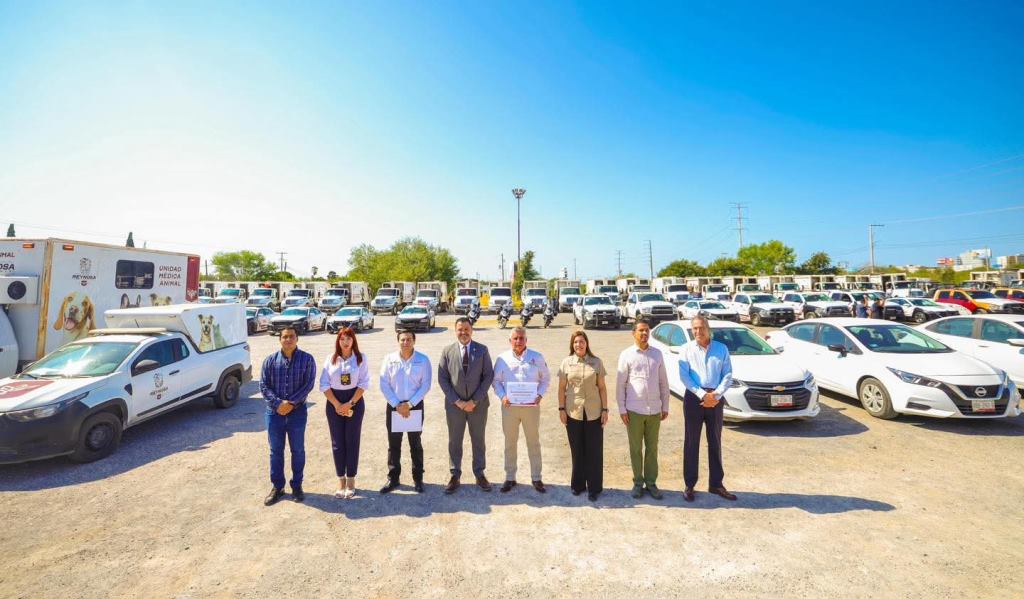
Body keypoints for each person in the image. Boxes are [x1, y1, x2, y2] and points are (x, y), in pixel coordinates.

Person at [678, 314, 737, 502]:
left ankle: (716, 484)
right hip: (694, 398)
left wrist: (716, 395)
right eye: (694, 328)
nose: (698, 331)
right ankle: (690, 485)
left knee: (715, 441)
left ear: (708, 328)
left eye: (701, 328)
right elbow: (684, 376)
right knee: (691, 442)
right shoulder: (686, 349)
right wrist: (703, 395)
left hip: (716, 399)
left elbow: (727, 374)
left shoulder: (721, 349)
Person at [260, 325, 317, 506]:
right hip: (274, 413)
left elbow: (308, 384)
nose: (288, 339)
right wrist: (278, 404)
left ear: (297, 338)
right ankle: (278, 487)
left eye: (291, 336)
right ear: (280, 339)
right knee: (275, 451)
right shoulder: (270, 361)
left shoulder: (307, 359)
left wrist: (290, 403)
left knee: (297, 450)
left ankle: (297, 486)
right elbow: (263, 385)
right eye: (285, 337)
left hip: (297, 413)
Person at [438, 317, 495, 494]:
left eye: (466, 329)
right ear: (455, 331)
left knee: (478, 439)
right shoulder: (447, 351)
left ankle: (479, 473)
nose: (463, 333)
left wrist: (474, 401)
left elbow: (488, 376)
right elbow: (443, 379)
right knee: (455, 440)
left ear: (472, 330)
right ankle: (455, 474)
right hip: (454, 406)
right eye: (460, 329)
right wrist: (458, 401)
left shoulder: (482, 350)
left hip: (478, 405)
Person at [492, 326, 551, 493]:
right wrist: (502, 396)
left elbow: (546, 379)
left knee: (533, 442)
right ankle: (510, 477)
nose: (518, 341)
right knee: (510, 442)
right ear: (510, 340)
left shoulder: (536, 357)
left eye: (521, 338)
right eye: (515, 338)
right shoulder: (502, 359)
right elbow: (496, 381)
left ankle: (536, 477)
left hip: (531, 408)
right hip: (509, 407)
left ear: (526, 340)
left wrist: (540, 394)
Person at [615, 321, 670, 500]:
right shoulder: (626, 355)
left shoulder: (657, 354)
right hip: (634, 411)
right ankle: (638, 483)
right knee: (636, 449)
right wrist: (622, 409)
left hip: (654, 411)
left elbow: (663, 382)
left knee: (652, 449)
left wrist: (665, 405)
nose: (644, 333)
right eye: (641, 331)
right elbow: (620, 384)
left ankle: (651, 483)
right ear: (633, 333)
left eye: (647, 330)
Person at [558, 330, 609, 501]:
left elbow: (602, 388)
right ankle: (578, 485)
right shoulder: (566, 363)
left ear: (587, 343)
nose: (578, 345)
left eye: (581, 341)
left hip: (594, 412)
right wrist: (561, 409)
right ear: (572, 345)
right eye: (575, 342)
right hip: (573, 412)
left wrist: (605, 410)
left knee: (594, 451)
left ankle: (594, 488)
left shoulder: (596, 362)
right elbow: (561, 388)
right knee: (577, 450)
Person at [319, 327, 370, 499]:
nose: (345, 342)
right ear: (338, 341)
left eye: (349, 338)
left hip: (354, 401)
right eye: (342, 339)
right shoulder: (330, 359)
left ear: (353, 340)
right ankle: (340, 480)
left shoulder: (360, 359)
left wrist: (350, 404)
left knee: (352, 441)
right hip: (334, 403)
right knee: (337, 442)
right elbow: (324, 384)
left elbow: (363, 383)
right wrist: (337, 405)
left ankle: (351, 480)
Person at [379, 330, 432, 494]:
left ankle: (418, 478)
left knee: (415, 443)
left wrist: (409, 404)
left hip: (414, 406)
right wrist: (397, 404)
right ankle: (393, 478)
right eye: (402, 339)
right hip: (394, 406)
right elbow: (384, 383)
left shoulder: (423, 360)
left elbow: (426, 384)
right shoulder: (389, 359)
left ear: (414, 341)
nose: (406, 342)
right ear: (398, 341)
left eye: (409, 339)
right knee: (394, 444)